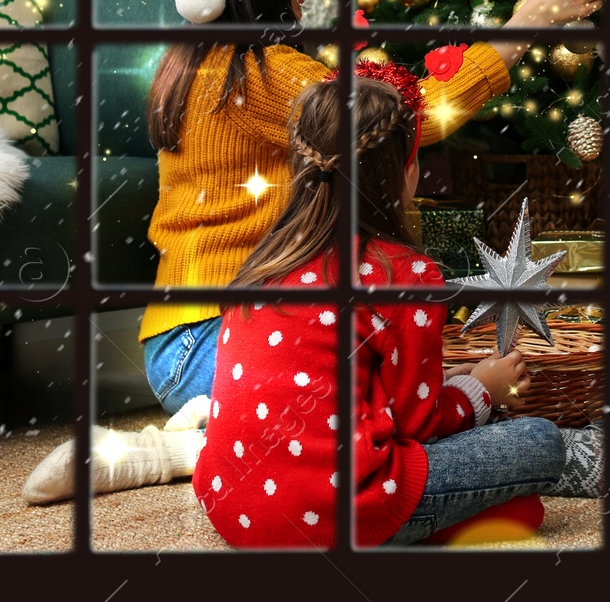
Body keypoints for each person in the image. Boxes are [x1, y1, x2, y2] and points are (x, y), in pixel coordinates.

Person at [139, 0, 603, 416]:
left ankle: (211, 429)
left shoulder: (199, 61)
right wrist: (530, 19)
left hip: (183, 338)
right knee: (384, 406)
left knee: (400, 382)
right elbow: (407, 121)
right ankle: (190, 444)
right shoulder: (260, 71)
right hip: (212, 343)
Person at [192, 72, 566, 547]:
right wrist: (481, 390)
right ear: (404, 172)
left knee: (520, 509)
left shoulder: (262, 266)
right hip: (339, 509)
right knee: (540, 442)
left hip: (234, 510)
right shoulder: (403, 275)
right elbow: (418, 424)